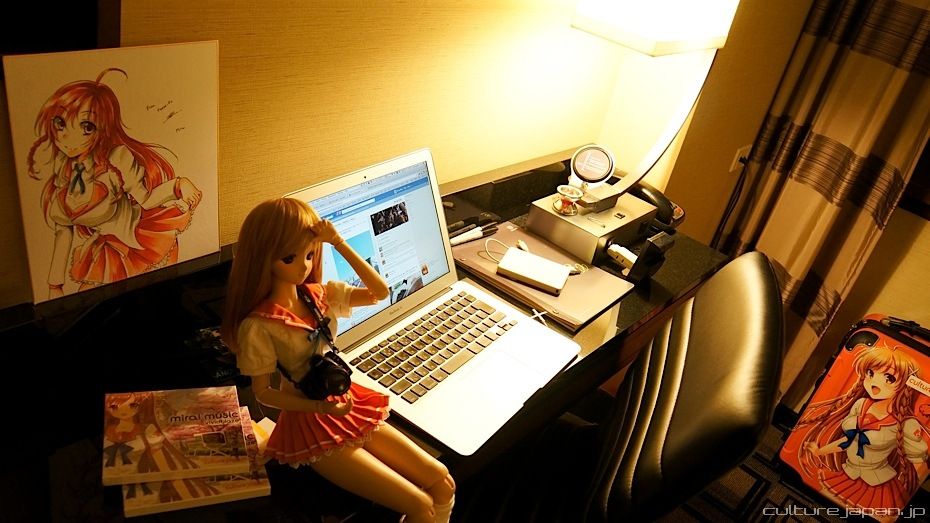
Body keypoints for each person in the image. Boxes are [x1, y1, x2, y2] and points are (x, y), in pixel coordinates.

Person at [221, 198, 455, 523]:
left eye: (309, 254)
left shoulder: (319, 295)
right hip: (311, 422)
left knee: (442, 481)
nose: (303, 266)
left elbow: (379, 292)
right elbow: (263, 393)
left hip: (347, 401)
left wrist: (338, 242)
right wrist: (319, 407)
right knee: (420, 506)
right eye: (290, 258)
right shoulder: (259, 324)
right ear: (263, 257)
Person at [26, 68, 202, 299]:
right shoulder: (64, 168)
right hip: (105, 248)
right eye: (60, 123)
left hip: (138, 243)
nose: (67, 137)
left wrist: (178, 186)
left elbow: (146, 199)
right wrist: (54, 285)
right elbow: (63, 230)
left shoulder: (116, 159)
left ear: (103, 129)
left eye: (86, 127)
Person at [797, 344, 929, 514]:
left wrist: (906, 492)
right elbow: (849, 440)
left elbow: (917, 461)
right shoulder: (861, 405)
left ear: (905, 384)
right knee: (818, 502)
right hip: (849, 473)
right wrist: (819, 452)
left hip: (878, 483)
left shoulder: (906, 423)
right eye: (870, 373)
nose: (874, 382)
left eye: (889, 378)